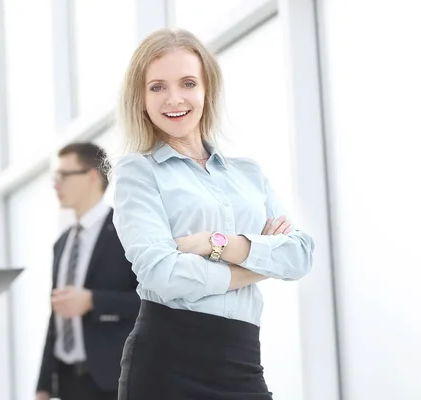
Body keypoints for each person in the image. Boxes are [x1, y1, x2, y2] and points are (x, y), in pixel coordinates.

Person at [112, 28, 315, 399]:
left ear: (208, 89)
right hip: (166, 363)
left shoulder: (248, 173)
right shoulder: (137, 172)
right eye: (157, 87)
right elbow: (162, 274)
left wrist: (214, 243)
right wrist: (260, 265)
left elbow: (300, 254)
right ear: (140, 98)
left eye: (188, 83)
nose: (174, 99)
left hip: (242, 359)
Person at [36, 143, 140, 400]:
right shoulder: (62, 243)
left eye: (63, 176)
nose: (56, 185)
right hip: (69, 382)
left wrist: (92, 301)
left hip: (112, 380)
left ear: (92, 176)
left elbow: (150, 302)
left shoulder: (125, 232)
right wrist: (44, 385)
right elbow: (56, 316)